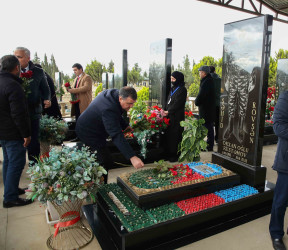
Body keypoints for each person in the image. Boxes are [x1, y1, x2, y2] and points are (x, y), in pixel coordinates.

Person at [75, 87, 144, 183]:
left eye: (133, 103)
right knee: (104, 162)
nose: (131, 106)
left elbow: (116, 114)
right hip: (89, 132)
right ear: (120, 98)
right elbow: (116, 134)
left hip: (90, 126)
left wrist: (125, 126)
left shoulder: (115, 94)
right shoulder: (108, 108)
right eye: (129, 103)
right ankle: (100, 190)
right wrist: (132, 157)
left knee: (105, 161)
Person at [0, 55, 32, 208]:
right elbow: (18, 113)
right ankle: (10, 198)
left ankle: (11, 189)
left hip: (3, 131)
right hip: (13, 132)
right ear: (17, 68)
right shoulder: (13, 85)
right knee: (16, 163)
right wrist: (25, 134)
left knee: (8, 162)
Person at [14, 47, 51, 163]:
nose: (16, 59)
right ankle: (17, 165)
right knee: (17, 141)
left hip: (34, 112)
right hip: (16, 113)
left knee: (34, 141)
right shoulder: (11, 71)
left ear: (28, 58)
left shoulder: (38, 72)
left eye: (19, 57)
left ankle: (34, 167)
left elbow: (46, 89)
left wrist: (47, 99)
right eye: (14, 56)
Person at [269, 90, 288, 250]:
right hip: (287, 160)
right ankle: (276, 233)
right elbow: (278, 127)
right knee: (281, 200)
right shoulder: (286, 96)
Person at [164, 71, 187, 162]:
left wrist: (169, 111)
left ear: (179, 79)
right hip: (170, 116)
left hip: (177, 117)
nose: (172, 80)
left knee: (175, 136)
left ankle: (175, 155)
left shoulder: (182, 89)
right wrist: (166, 110)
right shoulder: (173, 88)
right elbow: (168, 100)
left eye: (173, 79)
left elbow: (178, 103)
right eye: (171, 79)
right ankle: (169, 153)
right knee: (169, 136)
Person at [195, 66, 216, 151]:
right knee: (208, 127)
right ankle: (208, 145)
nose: (199, 74)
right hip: (208, 109)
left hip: (207, 109)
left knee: (208, 127)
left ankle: (209, 145)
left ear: (204, 73)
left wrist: (196, 102)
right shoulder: (208, 80)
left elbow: (202, 94)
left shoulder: (207, 81)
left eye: (200, 72)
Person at [209, 66, 221, 144]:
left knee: (209, 123)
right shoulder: (220, 80)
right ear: (215, 71)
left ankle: (210, 140)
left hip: (210, 104)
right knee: (218, 122)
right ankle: (218, 138)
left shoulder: (208, 80)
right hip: (219, 103)